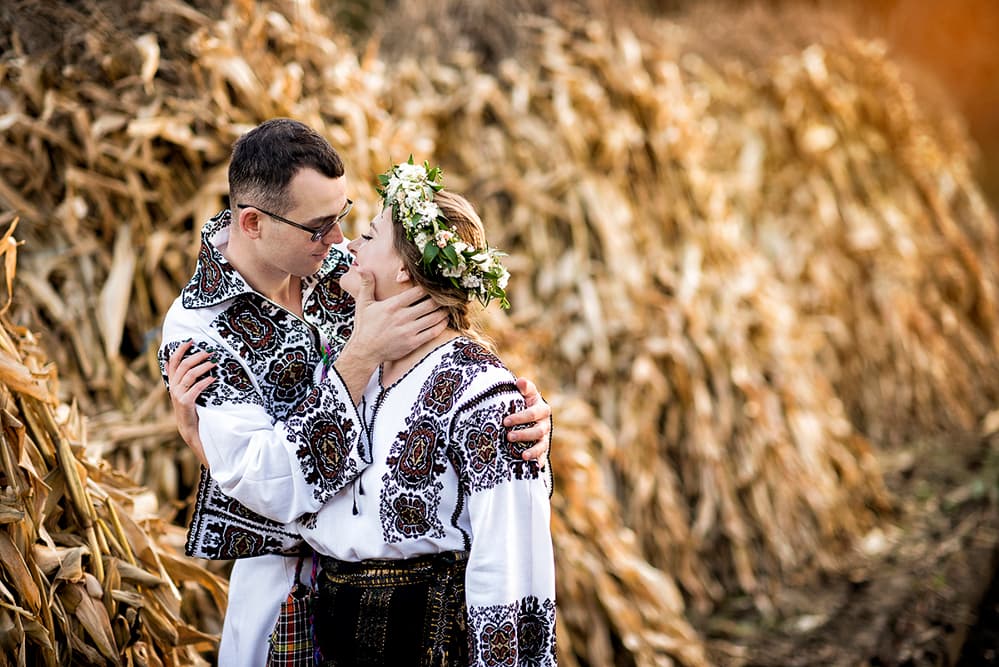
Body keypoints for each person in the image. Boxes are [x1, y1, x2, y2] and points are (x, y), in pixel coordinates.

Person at [157, 120, 552, 666]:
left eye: (344, 218)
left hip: (418, 614)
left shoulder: (347, 268)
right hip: (288, 595)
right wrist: (358, 357)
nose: (340, 241)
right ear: (252, 223)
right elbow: (267, 484)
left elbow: (449, 353)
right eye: (319, 226)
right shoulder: (197, 332)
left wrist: (517, 415)